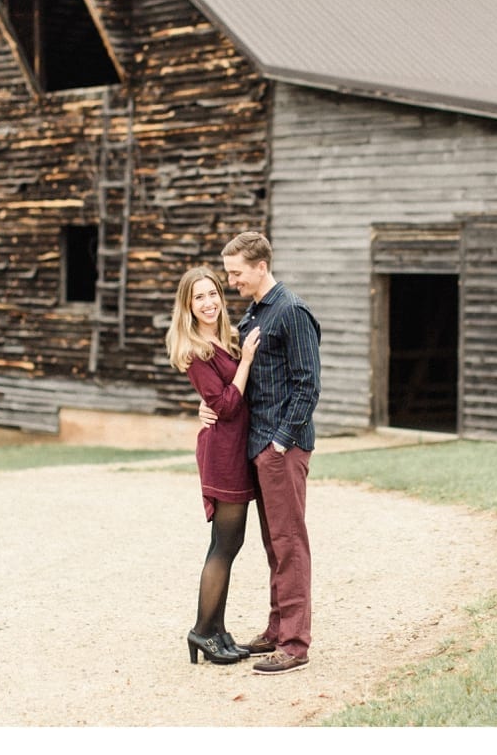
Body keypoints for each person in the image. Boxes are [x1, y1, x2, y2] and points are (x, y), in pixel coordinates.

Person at [201, 231, 320, 675]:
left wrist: (280, 442)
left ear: (260, 267)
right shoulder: (255, 312)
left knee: (289, 543)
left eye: (235, 273)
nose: (231, 281)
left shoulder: (292, 312)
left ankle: (294, 644)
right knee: (274, 543)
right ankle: (276, 630)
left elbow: (308, 385)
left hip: (280, 448)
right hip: (258, 446)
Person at [165, 266, 262, 665]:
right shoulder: (194, 350)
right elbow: (223, 405)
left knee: (229, 543)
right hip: (222, 453)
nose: (208, 303)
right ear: (187, 306)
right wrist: (247, 361)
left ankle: (218, 630)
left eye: (212, 294)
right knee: (225, 544)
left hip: (235, 447)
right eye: (198, 297)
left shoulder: (225, 339)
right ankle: (203, 631)